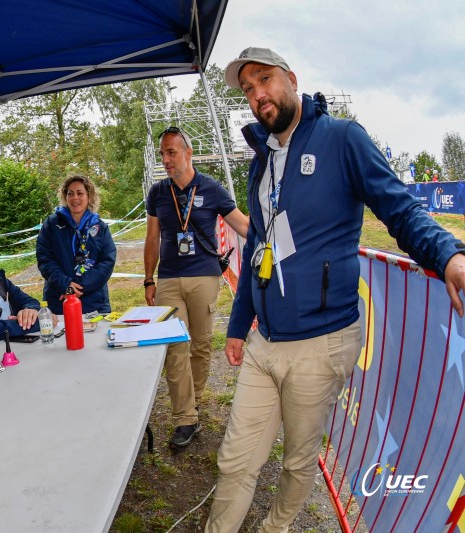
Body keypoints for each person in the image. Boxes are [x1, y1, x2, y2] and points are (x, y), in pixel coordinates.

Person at [205, 47, 465, 533]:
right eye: (248, 89)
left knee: (298, 461)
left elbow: (400, 208)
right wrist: (239, 326)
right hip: (266, 342)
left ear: (292, 78)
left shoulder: (343, 139)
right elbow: (261, 246)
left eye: (264, 80)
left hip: (323, 343)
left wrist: (447, 254)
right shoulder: (260, 162)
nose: (257, 94)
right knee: (235, 460)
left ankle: (275, 527)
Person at [144, 127, 249, 449]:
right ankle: (185, 418)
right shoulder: (158, 193)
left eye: (171, 153)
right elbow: (152, 238)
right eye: (162, 153)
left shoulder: (211, 189)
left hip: (204, 276)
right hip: (170, 279)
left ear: (188, 154)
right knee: (176, 347)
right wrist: (149, 278)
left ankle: (196, 398)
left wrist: (275, 233)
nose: (166, 160)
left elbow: (243, 225)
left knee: (201, 345)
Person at [36, 175, 117, 315]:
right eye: (70, 193)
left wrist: (77, 288)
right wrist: (66, 285)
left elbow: (106, 262)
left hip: (94, 304)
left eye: (80, 193)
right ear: (65, 197)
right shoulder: (51, 224)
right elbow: (45, 259)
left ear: (89, 196)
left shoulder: (100, 227)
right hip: (59, 302)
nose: (75, 198)